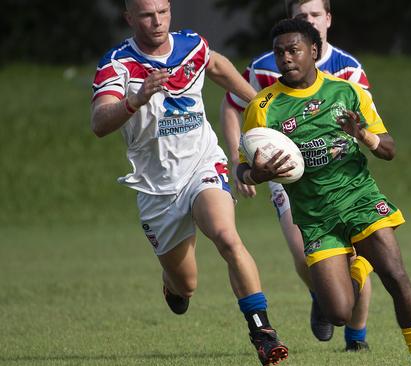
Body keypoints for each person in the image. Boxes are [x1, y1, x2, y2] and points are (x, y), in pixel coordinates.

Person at [90, 0, 288, 364]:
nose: (157, 21)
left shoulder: (191, 45)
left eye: (163, 11)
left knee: (227, 237)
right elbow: (100, 122)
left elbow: (217, 66)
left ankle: (262, 332)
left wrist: (261, 103)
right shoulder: (117, 63)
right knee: (187, 285)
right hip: (156, 187)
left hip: (202, 163)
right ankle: (172, 287)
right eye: (147, 15)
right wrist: (135, 99)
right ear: (129, 18)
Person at [237, 18, 411, 366]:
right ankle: (358, 268)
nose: (286, 59)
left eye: (294, 50)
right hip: (315, 217)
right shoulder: (263, 108)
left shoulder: (347, 92)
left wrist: (364, 136)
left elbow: (388, 150)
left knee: (396, 275)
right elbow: (242, 168)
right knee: (339, 313)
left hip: (359, 199)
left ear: (313, 51)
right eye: (279, 52)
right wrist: (255, 173)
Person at [220, 0, 372, 351]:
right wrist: (236, 156)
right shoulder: (265, 67)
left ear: (329, 19)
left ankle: (356, 339)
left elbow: (364, 122)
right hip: (286, 174)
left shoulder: (348, 70)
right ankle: (321, 291)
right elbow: (232, 103)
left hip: (339, 175)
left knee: (357, 259)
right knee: (304, 253)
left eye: (316, 15)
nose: (310, 21)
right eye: (302, 16)